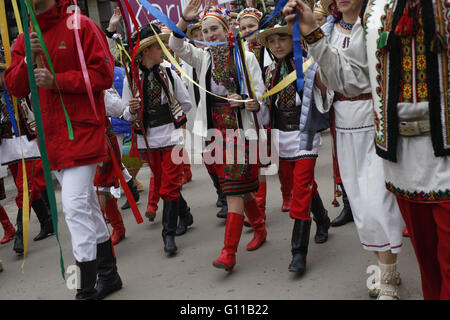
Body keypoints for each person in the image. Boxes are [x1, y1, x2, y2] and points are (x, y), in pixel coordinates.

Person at [284, 0, 449, 300]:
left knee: (377, 204)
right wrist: (318, 78)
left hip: (374, 123)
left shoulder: (372, 25)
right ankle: (384, 271)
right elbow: (325, 78)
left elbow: (354, 77)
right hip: (344, 128)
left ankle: (388, 278)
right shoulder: (331, 28)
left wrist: (318, 49)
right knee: (359, 206)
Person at [5, 0, 122, 300]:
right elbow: (15, 87)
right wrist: (27, 60)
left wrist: (58, 81)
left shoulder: (82, 24)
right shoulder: (25, 36)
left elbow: (104, 75)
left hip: (83, 133)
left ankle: (83, 288)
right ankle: (109, 276)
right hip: (51, 140)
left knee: (73, 207)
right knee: (87, 207)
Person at [170, 0, 269, 272]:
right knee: (237, 189)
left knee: (235, 191)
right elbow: (175, 46)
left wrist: (249, 101)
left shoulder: (246, 57)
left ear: (228, 30)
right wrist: (184, 20)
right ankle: (259, 227)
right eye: (205, 31)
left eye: (215, 29)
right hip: (215, 133)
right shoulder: (204, 57)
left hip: (240, 131)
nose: (210, 35)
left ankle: (228, 252)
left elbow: (260, 97)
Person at [256, 23, 330, 275]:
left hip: (305, 134)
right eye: (272, 41)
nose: (277, 45)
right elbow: (267, 113)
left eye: (282, 39)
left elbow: (326, 97)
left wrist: (322, 83)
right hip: (281, 136)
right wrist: (256, 108)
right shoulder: (267, 73)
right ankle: (322, 219)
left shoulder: (310, 65)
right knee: (304, 183)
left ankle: (298, 253)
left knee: (300, 190)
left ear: (294, 41)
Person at [122, 24, 193, 254]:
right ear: (144, 52)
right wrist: (133, 110)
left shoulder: (169, 73)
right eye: (156, 46)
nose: (162, 49)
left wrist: (172, 114)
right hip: (148, 139)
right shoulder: (130, 80)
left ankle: (168, 234)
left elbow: (186, 102)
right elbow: (125, 113)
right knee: (163, 184)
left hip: (170, 136)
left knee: (169, 186)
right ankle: (186, 214)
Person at [1, 65, 54, 255]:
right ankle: (47, 222)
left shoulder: (16, 84)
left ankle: (20, 235)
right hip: (8, 143)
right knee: (27, 185)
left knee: (25, 187)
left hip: (25, 139)